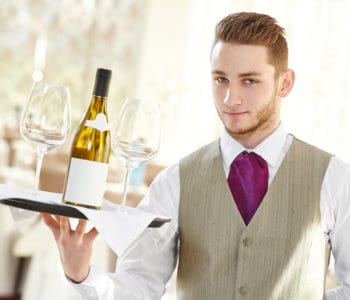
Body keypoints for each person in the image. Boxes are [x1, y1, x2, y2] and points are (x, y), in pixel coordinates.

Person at [42, 12, 350, 299]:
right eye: (221, 79)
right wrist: (82, 274)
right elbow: (140, 282)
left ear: (285, 83)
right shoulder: (175, 181)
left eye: (250, 81)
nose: (232, 97)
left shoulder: (333, 178)